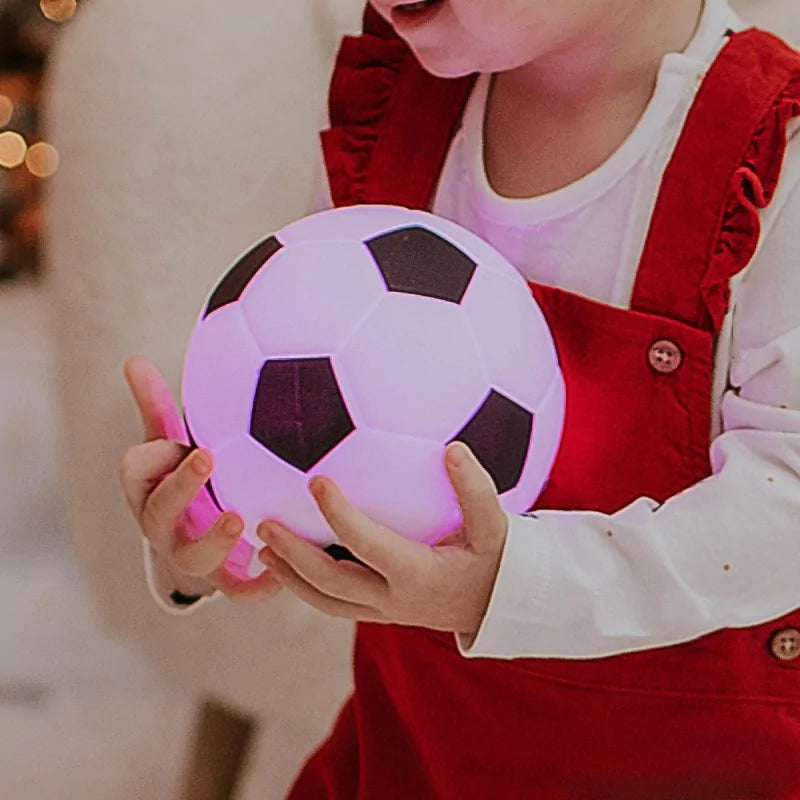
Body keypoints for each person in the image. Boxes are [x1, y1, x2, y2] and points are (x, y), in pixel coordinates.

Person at [118, 0, 800, 795]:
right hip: (417, 757)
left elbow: (784, 502)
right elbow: (310, 426)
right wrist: (218, 534)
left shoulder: (772, 155)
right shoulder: (394, 116)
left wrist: (515, 585)